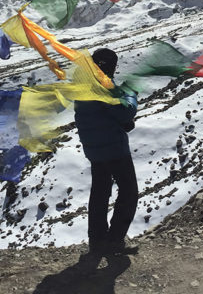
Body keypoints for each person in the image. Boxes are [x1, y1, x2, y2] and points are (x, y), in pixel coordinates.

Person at [72, 48, 141, 255]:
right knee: (129, 192)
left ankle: (97, 241)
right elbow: (125, 110)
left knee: (100, 192)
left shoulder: (84, 85)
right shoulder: (103, 84)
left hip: (94, 148)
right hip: (114, 148)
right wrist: (129, 93)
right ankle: (115, 241)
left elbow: (101, 114)